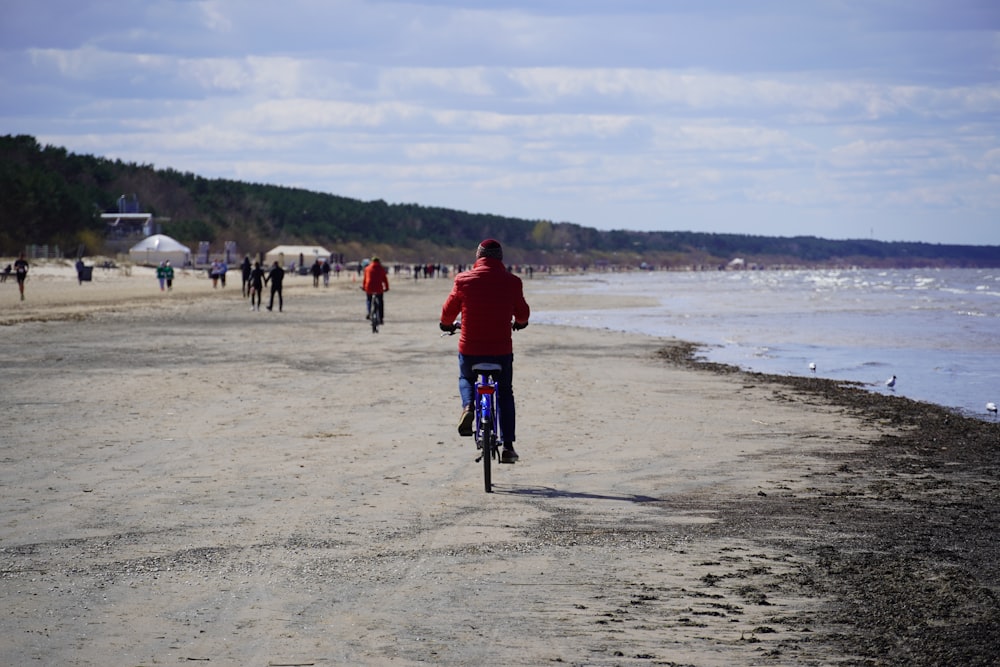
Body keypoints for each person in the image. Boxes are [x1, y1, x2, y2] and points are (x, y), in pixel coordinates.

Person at [439, 239, 530, 463]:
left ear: (478, 257)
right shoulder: (512, 282)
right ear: (500, 258)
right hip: (501, 350)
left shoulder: (463, 280)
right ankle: (508, 446)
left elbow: (448, 312)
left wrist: (447, 325)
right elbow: (523, 313)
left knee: (466, 378)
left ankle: (469, 406)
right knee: (505, 393)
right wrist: (519, 322)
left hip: (470, 348)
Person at [362, 256, 389, 323]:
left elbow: (365, 279)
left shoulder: (367, 268)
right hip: (378, 288)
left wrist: (364, 287)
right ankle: (381, 317)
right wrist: (387, 288)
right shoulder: (381, 268)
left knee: (369, 300)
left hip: (369, 287)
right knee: (380, 302)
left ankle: (368, 312)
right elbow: (385, 280)